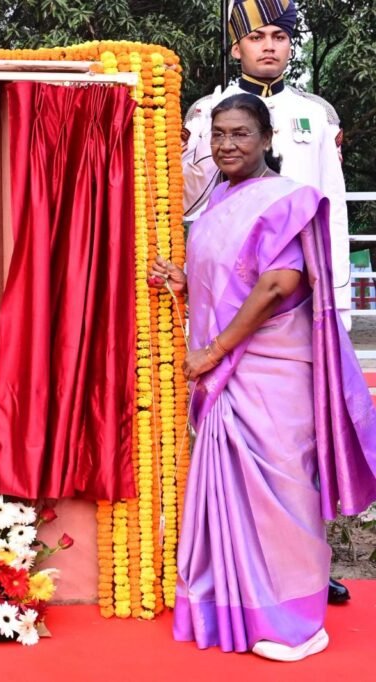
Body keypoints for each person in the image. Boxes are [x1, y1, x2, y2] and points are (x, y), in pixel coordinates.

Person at [151, 94, 376, 661]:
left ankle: (295, 622)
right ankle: (239, 610)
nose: (227, 144)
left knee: (283, 497)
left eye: (241, 134)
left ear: (267, 139)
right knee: (240, 499)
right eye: (219, 134)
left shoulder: (285, 199)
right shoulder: (219, 203)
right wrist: (184, 282)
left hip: (274, 371)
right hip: (233, 375)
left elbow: (278, 285)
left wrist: (213, 352)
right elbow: (228, 284)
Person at [181, 0, 353, 606]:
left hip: (293, 307)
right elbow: (198, 206)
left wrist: (334, 298)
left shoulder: (315, 114)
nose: (271, 46)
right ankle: (237, 570)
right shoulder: (205, 113)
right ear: (237, 47)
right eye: (257, 36)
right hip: (229, 303)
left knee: (298, 448)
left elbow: (331, 206)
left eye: (280, 36)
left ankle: (307, 568)